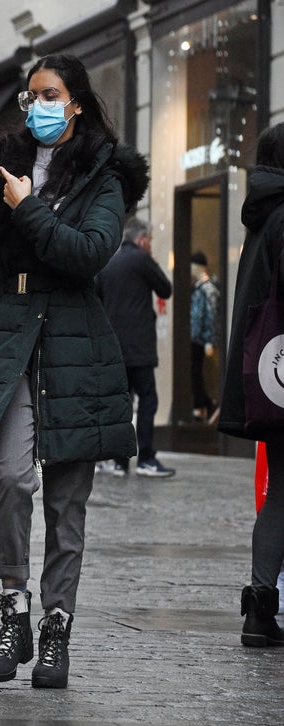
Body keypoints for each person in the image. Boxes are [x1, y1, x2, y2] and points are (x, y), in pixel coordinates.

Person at [0, 54, 146, 689]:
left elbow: (89, 255)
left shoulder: (105, 174)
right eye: (31, 94)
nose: (38, 104)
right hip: (11, 339)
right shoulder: (3, 165)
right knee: (8, 475)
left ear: (77, 102)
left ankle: (57, 627)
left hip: (76, 343)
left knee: (67, 502)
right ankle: (14, 608)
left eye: (51, 93)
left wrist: (29, 207)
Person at [218, 122, 284, 647]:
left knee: (280, 491)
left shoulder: (261, 216)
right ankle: (262, 609)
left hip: (271, 377)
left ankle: (260, 608)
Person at [96, 217, 175, 478]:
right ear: (141, 240)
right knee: (148, 400)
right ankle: (147, 458)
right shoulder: (142, 260)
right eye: (150, 240)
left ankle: (120, 461)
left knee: (122, 404)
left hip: (114, 348)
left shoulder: (109, 263)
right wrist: (151, 259)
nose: (150, 245)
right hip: (139, 347)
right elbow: (165, 289)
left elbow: (98, 299)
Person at [190, 250, 220, 422]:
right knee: (195, 373)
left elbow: (212, 316)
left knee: (198, 373)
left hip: (201, 339)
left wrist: (210, 339)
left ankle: (206, 405)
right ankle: (201, 406)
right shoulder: (197, 288)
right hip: (195, 338)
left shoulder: (208, 289)